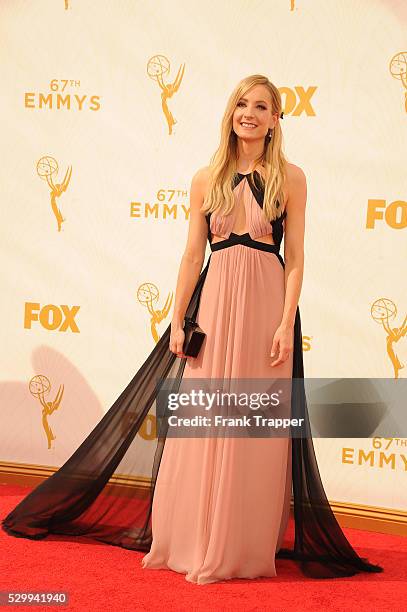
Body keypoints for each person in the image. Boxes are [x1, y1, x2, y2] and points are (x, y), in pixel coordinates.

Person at [2, 74, 383, 584]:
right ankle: (190, 540)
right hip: (214, 306)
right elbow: (190, 256)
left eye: (262, 106)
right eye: (242, 104)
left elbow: (296, 259)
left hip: (266, 307)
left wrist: (286, 322)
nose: (249, 113)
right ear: (231, 113)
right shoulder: (206, 178)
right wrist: (179, 319)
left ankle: (239, 546)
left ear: (276, 120)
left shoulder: (291, 177)